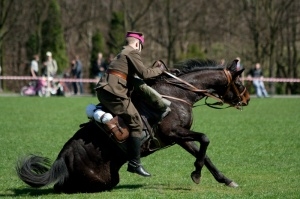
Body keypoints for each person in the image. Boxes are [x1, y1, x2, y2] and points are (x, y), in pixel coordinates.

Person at [95, 31, 170, 177]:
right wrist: (160, 70)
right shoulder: (132, 52)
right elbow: (145, 73)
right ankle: (134, 163)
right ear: (137, 44)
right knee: (136, 122)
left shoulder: (123, 52)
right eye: (141, 46)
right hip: (114, 91)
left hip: (107, 90)